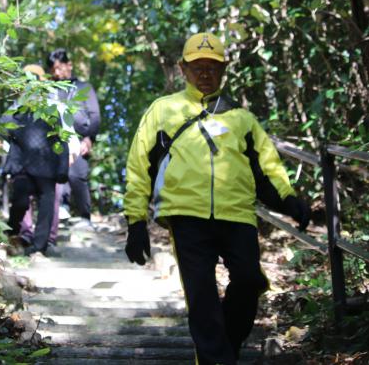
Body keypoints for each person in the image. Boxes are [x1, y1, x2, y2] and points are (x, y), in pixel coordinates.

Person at [123, 32, 310, 365]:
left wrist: (289, 201)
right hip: (185, 214)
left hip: (237, 214)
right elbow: (139, 165)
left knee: (250, 281)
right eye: (198, 67)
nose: (205, 74)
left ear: (224, 70)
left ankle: (226, 348)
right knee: (202, 297)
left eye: (212, 67)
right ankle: (217, 360)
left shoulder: (242, 119)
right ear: (183, 69)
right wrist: (136, 221)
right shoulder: (163, 110)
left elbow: (268, 167)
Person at [0, 64, 69, 256]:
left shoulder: (52, 111)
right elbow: (1, 128)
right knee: (20, 202)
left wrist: (63, 169)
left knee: (47, 206)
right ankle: (12, 233)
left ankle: (39, 246)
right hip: (22, 167)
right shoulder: (18, 110)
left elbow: (61, 140)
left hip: (47, 168)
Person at [46, 48, 101, 228]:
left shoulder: (84, 87)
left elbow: (94, 115)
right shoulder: (50, 89)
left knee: (77, 175)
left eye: (59, 68)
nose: (56, 73)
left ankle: (85, 216)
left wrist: (89, 138)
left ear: (69, 65)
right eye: (53, 70)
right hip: (55, 139)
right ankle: (61, 212)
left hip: (79, 138)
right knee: (58, 175)